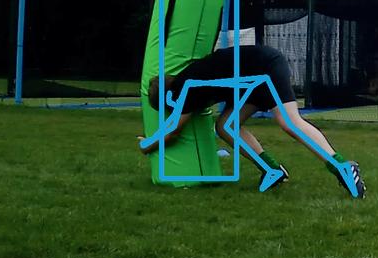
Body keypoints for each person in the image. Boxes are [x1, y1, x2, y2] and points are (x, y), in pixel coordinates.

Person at [139, 44, 364, 197]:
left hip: (264, 66)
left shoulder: (182, 90)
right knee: (226, 126)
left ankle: (342, 167)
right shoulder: (188, 84)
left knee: (289, 122)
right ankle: (272, 170)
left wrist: (146, 145)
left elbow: (173, 131)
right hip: (251, 80)